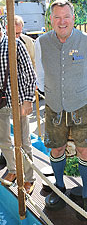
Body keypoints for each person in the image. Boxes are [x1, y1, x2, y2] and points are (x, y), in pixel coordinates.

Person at [35, 0, 87, 217]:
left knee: (85, 150)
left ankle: (86, 195)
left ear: (73, 18)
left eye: (66, 16)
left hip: (82, 106)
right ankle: (59, 186)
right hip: (54, 107)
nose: (62, 21)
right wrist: (49, 94)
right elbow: (40, 74)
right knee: (56, 148)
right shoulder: (41, 42)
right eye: (57, 17)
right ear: (51, 20)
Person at [0, 23, 36, 194]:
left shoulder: (15, 44)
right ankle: (13, 170)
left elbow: (30, 73)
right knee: (3, 140)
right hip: (1, 103)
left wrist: (28, 100)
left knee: (23, 141)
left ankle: (29, 178)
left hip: (18, 100)